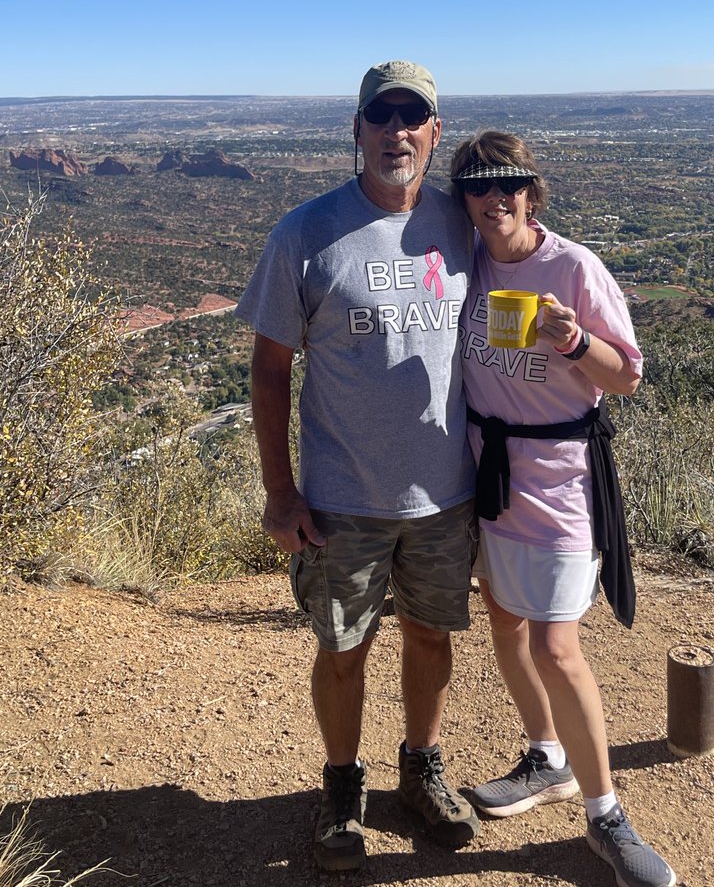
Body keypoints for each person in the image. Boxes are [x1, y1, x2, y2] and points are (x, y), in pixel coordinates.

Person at [236, 61, 480, 872]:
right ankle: (342, 785)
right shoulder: (304, 234)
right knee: (342, 650)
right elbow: (270, 369)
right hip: (344, 498)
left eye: (415, 117)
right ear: (357, 129)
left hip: (445, 493)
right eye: (383, 115)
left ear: (435, 134)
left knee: (431, 639)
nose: (397, 130)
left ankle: (422, 770)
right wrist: (280, 493)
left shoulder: (463, 222)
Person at [450, 131, 676, 887]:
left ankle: (606, 814)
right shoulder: (467, 262)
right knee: (505, 622)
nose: (497, 197)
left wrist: (575, 340)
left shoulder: (574, 267)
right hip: (489, 480)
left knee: (556, 646)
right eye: (480, 185)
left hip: (558, 483)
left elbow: (628, 378)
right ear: (466, 199)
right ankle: (547, 757)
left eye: (511, 183)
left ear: (532, 192)